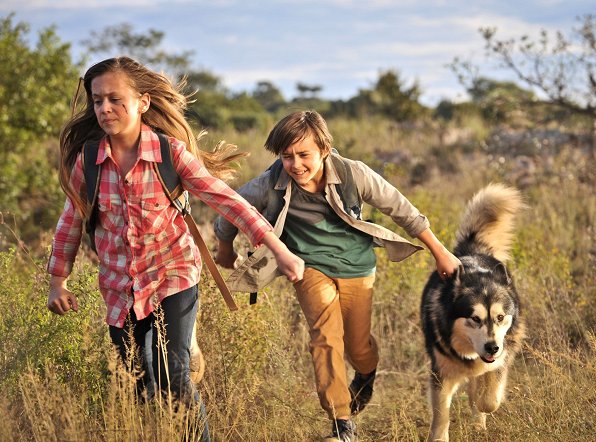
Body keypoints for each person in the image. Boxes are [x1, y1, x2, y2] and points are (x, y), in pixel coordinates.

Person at [46, 56, 304, 442]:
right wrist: (57, 281)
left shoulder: (169, 154)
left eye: (116, 99)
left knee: (173, 375)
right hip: (119, 285)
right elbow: (71, 219)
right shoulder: (90, 161)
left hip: (173, 274)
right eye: (98, 101)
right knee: (136, 379)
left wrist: (278, 249)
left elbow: (227, 201)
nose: (105, 109)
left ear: (143, 103)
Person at [213, 110, 461, 441]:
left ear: (324, 150)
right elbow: (231, 209)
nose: (295, 164)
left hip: (357, 266)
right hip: (308, 266)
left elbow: (401, 209)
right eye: (287, 156)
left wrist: (440, 252)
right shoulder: (268, 184)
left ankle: (366, 372)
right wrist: (225, 249)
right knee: (325, 336)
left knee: (358, 347)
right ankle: (341, 423)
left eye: (304, 155)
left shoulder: (352, 174)